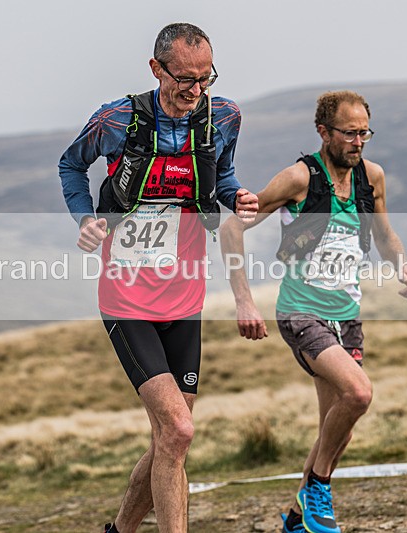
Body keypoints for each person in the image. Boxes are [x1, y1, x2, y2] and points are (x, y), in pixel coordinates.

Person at [58, 22, 258, 533]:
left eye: (205, 78)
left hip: (184, 295)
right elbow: (70, 165)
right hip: (126, 298)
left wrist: (238, 198)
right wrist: (86, 219)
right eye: (184, 79)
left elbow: (225, 177)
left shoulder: (223, 117)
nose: (195, 90)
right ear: (156, 69)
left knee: (172, 438)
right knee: (180, 428)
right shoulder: (117, 119)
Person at [220, 90, 407, 533]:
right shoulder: (298, 179)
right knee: (359, 394)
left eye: (364, 132)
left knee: (337, 427)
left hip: (346, 316)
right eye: (349, 133)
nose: (358, 141)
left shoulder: (372, 177)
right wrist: (244, 299)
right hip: (301, 313)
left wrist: (404, 270)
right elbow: (232, 226)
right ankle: (318, 489)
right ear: (323, 132)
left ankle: (295, 519)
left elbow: (385, 236)